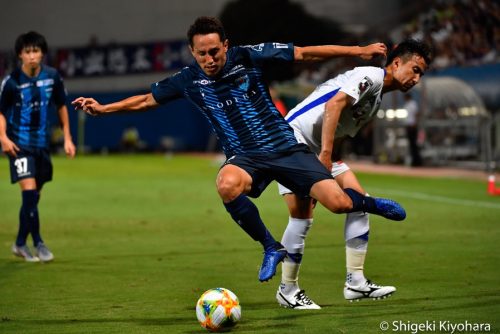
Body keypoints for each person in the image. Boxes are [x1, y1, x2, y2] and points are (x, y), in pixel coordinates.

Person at [72, 16, 405, 283]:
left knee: (339, 204)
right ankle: (270, 247)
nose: (209, 58)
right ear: (192, 52)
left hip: (287, 147)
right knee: (226, 184)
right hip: (247, 158)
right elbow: (146, 99)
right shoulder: (187, 80)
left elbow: (303, 53)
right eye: (201, 53)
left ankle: (369, 203)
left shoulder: (247, 55)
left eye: (214, 51)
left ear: (225, 45)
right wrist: (104, 109)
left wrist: (358, 51)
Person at [275, 39, 432, 309]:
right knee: (302, 216)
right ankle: (287, 290)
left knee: (359, 202)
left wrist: (331, 158)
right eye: (415, 69)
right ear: (396, 63)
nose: (416, 78)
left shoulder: (377, 98)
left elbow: (341, 129)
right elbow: (333, 106)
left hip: (321, 148)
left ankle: (355, 282)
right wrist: (324, 156)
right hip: (294, 138)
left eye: (421, 73)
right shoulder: (370, 75)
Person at [0, 31, 76, 262]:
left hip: (42, 146)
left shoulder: (52, 77)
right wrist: (2, 137)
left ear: (42, 54)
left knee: (33, 199)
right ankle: (39, 243)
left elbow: (62, 106)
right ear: (20, 55)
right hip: (19, 144)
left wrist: (68, 138)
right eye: (27, 51)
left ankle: (20, 243)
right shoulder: (11, 81)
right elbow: (1, 112)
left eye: (36, 51)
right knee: (29, 194)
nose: (32, 56)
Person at [403, 93, 422, 166]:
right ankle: (414, 160)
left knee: (414, 144)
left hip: (412, 126)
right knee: (411, 145)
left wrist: (415, 123)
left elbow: (416, 114)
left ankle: (417, 161)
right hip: (408, 126)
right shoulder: (407, 104)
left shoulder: (413, 104)